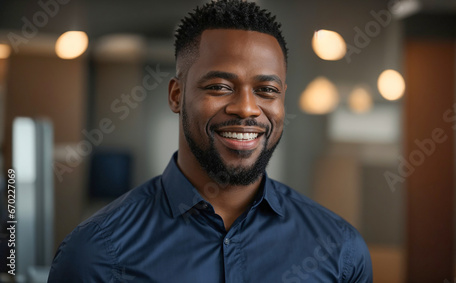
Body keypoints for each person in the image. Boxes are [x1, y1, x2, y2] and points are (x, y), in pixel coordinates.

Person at [48, 0, 373, 282]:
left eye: (267, 90)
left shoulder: (340, 250)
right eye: (219, 86)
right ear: (177, 95)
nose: (247, 108)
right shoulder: (96, 254)